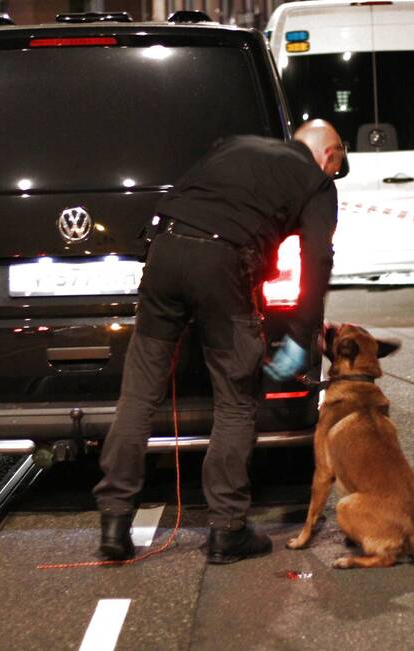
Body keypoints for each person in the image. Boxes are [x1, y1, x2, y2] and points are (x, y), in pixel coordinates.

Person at [94, 120, 346, 565]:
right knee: (236, 399)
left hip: (165, 251)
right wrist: (298, 337)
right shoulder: (317, 183)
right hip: (224, 264)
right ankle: (227, 531)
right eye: (337, 166)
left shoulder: (233, 143)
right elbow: (317, 258)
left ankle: (114, 525)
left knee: (138, 394)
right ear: (330, 156)